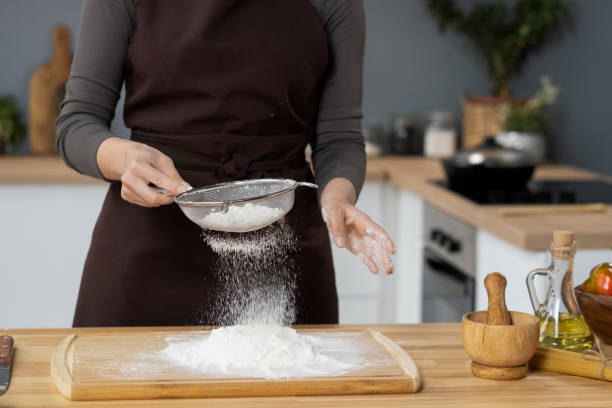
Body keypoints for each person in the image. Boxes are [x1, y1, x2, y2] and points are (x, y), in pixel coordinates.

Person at [56, 0, 395, 327]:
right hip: (148, 250)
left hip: (283, 249)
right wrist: (123, 159)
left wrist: (338, 197)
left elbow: (339, 139)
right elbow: (76, 124)